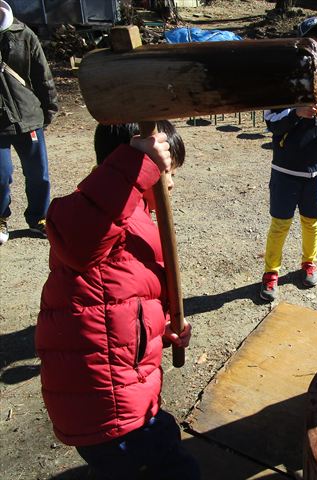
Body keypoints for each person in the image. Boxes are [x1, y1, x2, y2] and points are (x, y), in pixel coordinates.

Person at [36, 121, 200, 480]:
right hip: (107, 409)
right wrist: (135, 164)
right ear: (133, 165)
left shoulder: (132, 219)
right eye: (166, 172)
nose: (170, 183)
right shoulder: (95, 224)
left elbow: (123, 305)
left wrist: (163, 330)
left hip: (118, 398)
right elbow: (76, 230)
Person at [259, 16, 317, 302]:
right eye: (313, 43)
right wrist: (295, 113)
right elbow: (270, 119)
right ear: (301, 48)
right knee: (280, 222)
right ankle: (271, 272)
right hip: (286, 167)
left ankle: (308, 263)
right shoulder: (287, 82)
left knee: (312, 222)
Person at [0, 1, 57, 244]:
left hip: (28, 115)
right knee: (1, 175)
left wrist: (50, 108)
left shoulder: (24, 34)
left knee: (38, 173)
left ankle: (39, 218)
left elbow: (41, 74)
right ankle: (1, 217)